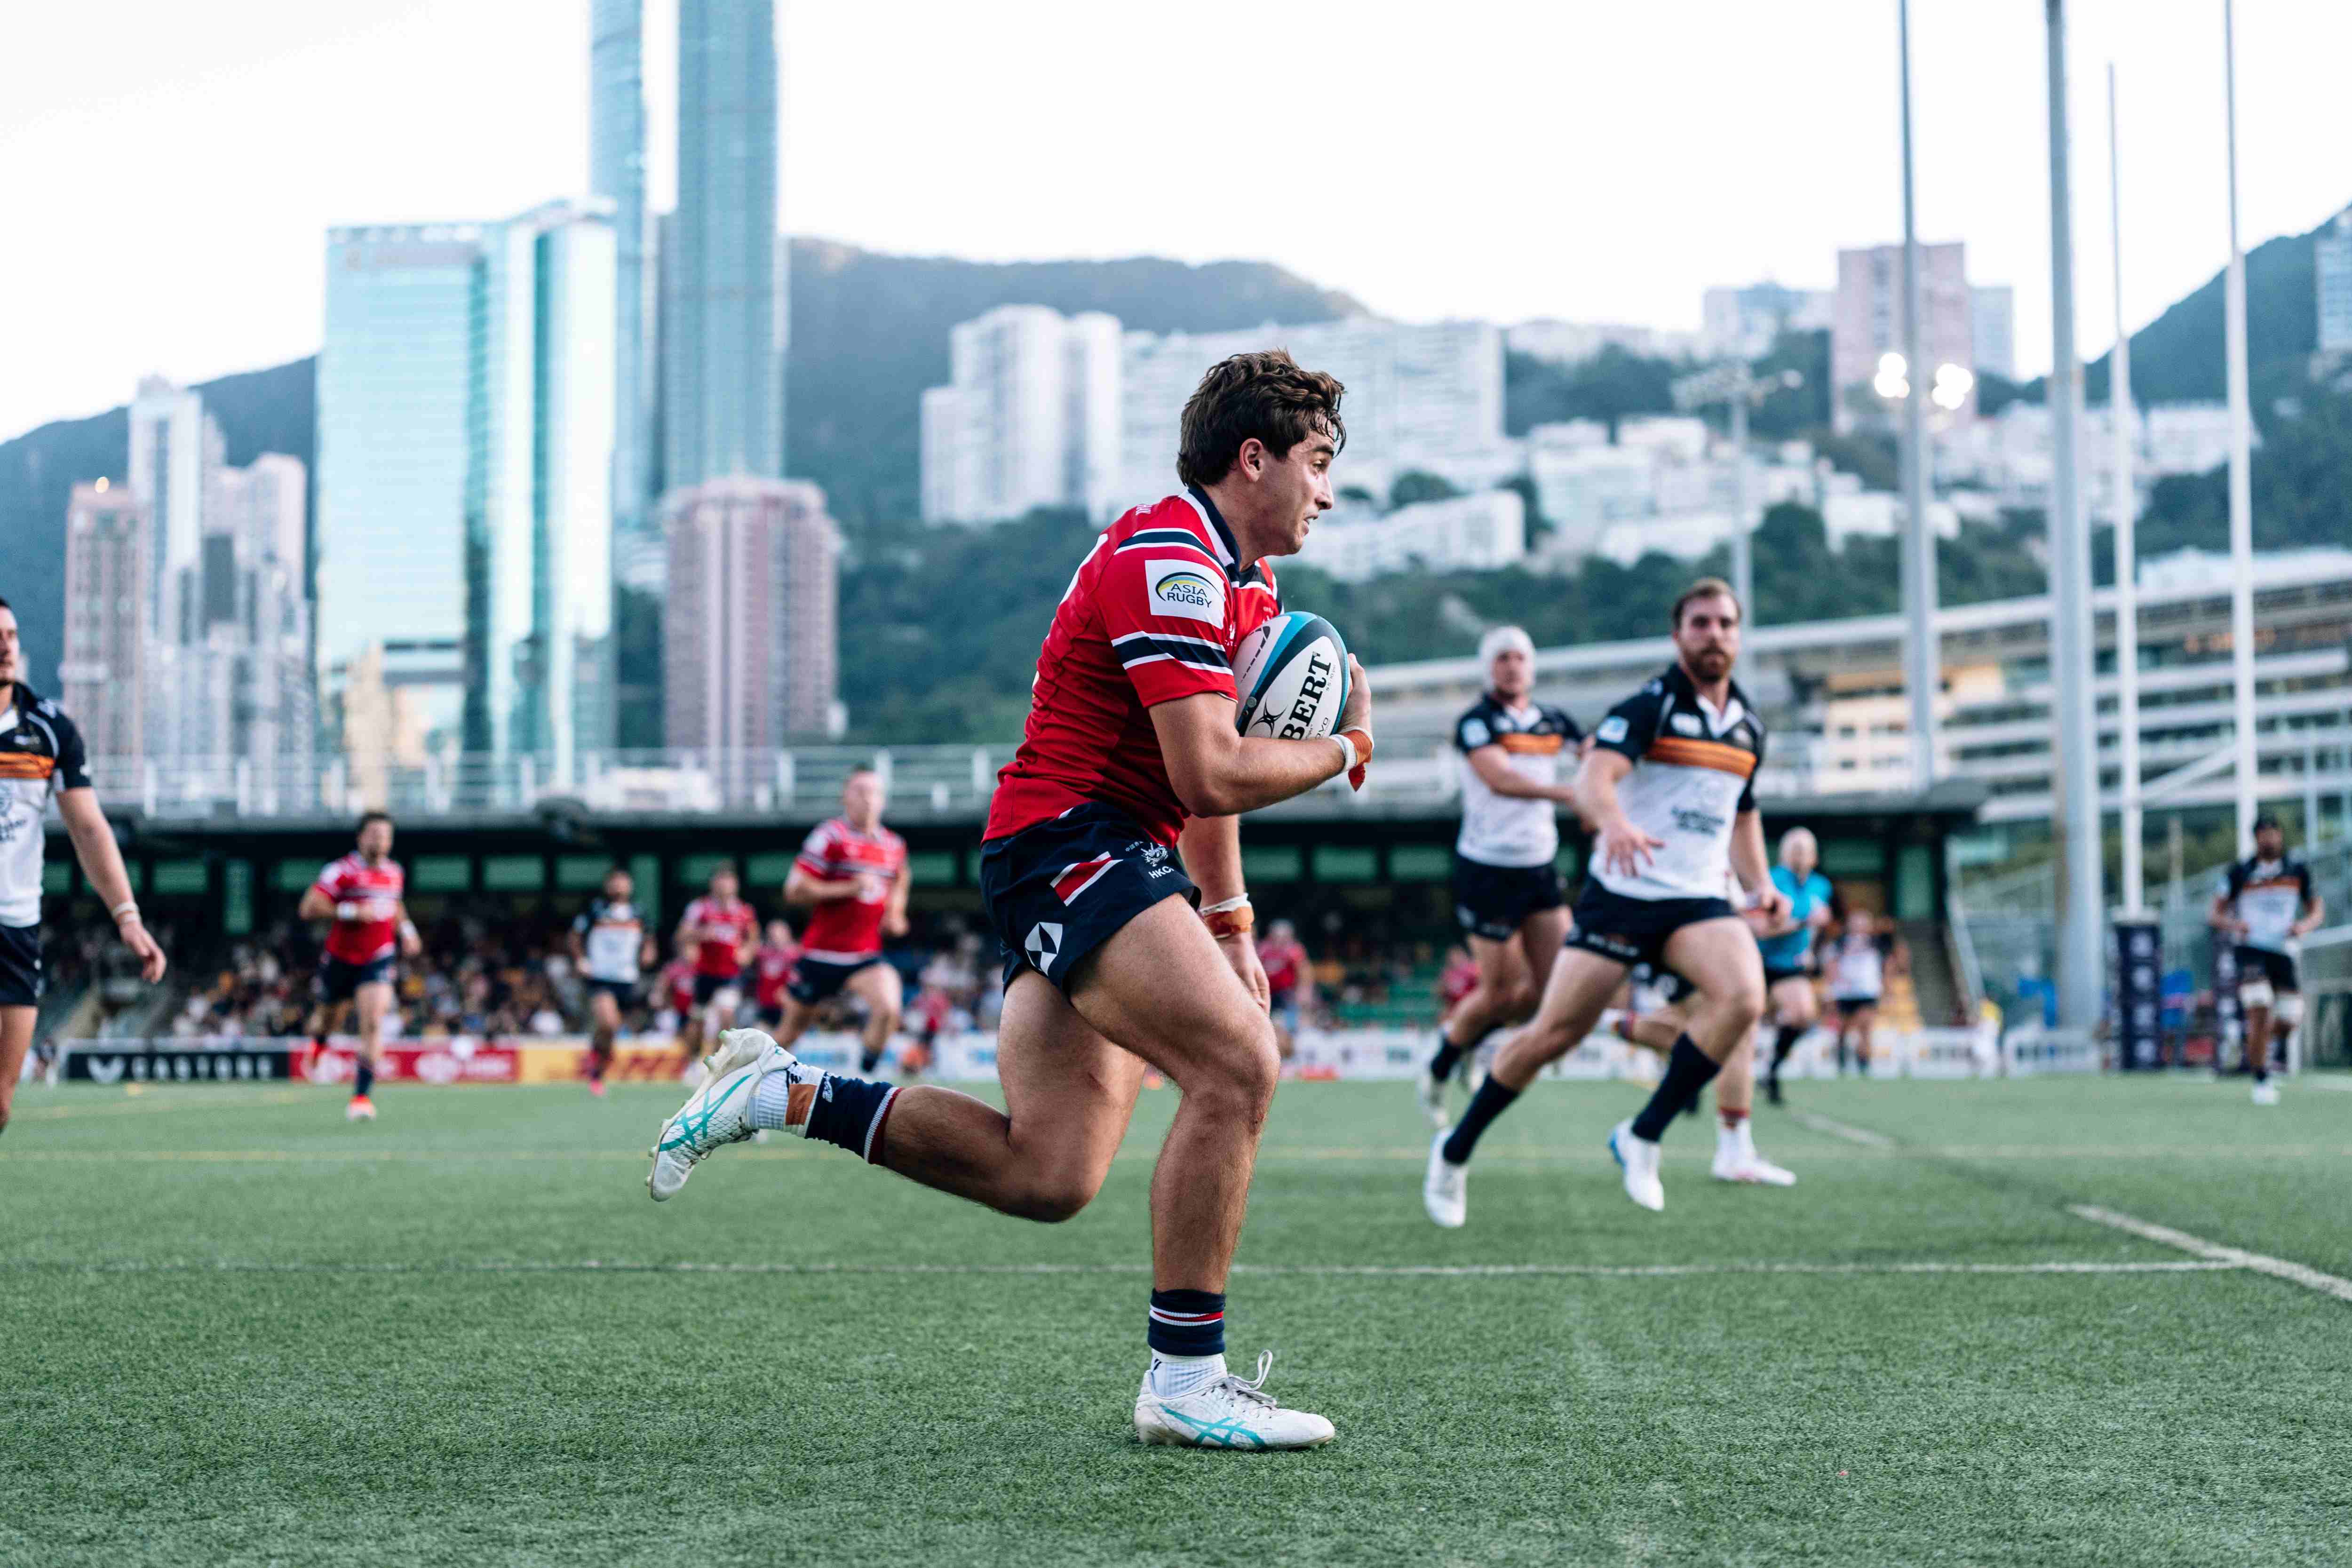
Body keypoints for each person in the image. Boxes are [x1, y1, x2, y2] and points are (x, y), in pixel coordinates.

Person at [648, 350, 1371, 1449]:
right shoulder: (1172, 560)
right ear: (1254, 456)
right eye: (1317, 465)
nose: (1326, 492)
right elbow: (1210, 774)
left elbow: (1206, 786)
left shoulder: (1244, 583)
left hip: (1120, 854)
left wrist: (1229, 925)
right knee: (1239, 1065)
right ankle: (1186, 1380)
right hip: (1071, 845)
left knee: (1049, 1172)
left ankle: (785, 1094)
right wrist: (1344, 747)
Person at [1423, 578, 1786, 1225]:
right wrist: (1614, 821)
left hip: (1697, 899)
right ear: (1678, 636)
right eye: (1700, 623)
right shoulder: (1650, 705)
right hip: (1623, 896)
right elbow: (1594, 776)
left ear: (1739, 633)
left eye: (1726, 623)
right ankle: (1455, 1149)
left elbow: (1743, 817)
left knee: (1745, 997)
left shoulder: (1749, 728)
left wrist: (1762, 886)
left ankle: (1642, 1134)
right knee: (1550, 1035)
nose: (1715, 634)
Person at [0, 597, 167, 1132]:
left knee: (2, 1100)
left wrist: (128, 916)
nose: (5, 646)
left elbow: (89, 829)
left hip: (16, 929)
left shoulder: (50, 730)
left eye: (12, 635)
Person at [1419, 626, 1582, 1129]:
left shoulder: (1554, 720)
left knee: (1552, 988)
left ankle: (1479, 1042)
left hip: (1538, 867)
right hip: (1487, 870)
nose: (1511, 666)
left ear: (1530, 667)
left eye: (1519, 658)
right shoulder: (1476, 722)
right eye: (1501, 658)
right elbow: (1500, 779)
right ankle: (1441, 1064)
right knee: (1499, 993)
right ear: (1489, 668)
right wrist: (1572, 795)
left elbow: (1601, 756)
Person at [768, 771, 909, 1077]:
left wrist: (896, 912)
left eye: (874, 792)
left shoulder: (893, 845)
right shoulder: (830, 836)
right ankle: (748, 1087)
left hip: (864, 955)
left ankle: (864, 1080)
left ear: (883, 799)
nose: (868, 798)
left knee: (889, 1008)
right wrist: (849, 887)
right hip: (820, 954)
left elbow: (900, 878)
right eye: (859, 791)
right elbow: (794, 890)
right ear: (845, 796)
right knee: (790, 1033)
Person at [299, 812, 422, 1121]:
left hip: (378, 957)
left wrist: (407, 930)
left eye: (386, 836)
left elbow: (394, 905)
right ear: (361, 838)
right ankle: (320, 1043)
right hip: (340, 958)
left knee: (373, 1024)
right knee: (327, 1019)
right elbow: (308, 907)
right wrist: (351, 910)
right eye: (375, 834)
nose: (381, 841)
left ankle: (361, 1096)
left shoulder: (395, 872)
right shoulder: (341, 871)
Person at [2209, 813, 2325, 1106]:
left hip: (2283, 952)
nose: (2270, 838)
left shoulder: (2297, 870)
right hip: (2251, 949)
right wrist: (2235, 925)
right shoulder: (2240, 872)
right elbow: (2215, 913)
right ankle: (2261, 1078)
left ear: (2281, 836)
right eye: (2264, 833)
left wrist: (2304, 926)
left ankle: (2247, 1042)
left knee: (2288, 1020)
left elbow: (2316, 909)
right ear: (2256, 837)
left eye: (2275, 833)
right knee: (2260, 1006)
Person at [1754, 827, 1834, 1105]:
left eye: (1805, 849)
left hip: (1789, 964)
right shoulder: (1771, 881)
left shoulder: (1822, 885)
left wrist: (1810, 950)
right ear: (1785, 853)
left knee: (1803, 1015)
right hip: (1755, 960)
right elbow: (1762, 928)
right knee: (1735, 1023)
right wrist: (1803, 923)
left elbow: (1816, 925)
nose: (1800, 853)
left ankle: (1771, 1069)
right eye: (1795, 848)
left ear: (1814, 856)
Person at [570, 866, 654, 1097]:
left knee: (610, 1032)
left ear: (631, 886)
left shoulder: (639, 912)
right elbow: (575, 936)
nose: (619, 886)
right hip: (600, 976)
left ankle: (597, 1067)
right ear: (608, 886)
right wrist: (580, 959)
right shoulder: (596, 910)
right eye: (615, 881)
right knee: (610, 1024)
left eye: (623, 881)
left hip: (627, 978)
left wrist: (648, 953)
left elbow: (649, 939)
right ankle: (597, 1066)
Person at [672, 865, 757, 1079]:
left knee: (727, 1015)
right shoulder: (700, 908)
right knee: (698, 1021)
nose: (725, 886)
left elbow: (753, 938)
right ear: (713, 884)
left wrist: (746, 952)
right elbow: (682, 935)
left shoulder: (744, 911)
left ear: (735, 885)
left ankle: (719, 1065)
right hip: (704, 973)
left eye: (729, 881)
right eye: (721, 881)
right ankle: (692, 1061)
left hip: (729, 974)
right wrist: (700, 935)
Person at [1826, 909, 1904, 1076]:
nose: (1859, 925)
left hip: (1868, 991)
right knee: (1844, 1029)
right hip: (1845, 993)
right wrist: (1831, 990)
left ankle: (1864, 1064)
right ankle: (1842, 1055)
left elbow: (1889, 963)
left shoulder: (1877, 943)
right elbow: (1831, 966)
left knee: (1865, 1027)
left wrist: (1887, 988)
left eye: (1863, 921)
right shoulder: (1839, 943)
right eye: (1855, 921)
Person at [1256, 918, 1313, 1057]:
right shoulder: (1264, 949)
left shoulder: (1294, 950)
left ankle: (1288, 1057)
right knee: (1273, 1028)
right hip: (1268, 994)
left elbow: (1304, 972)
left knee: (1286, 1028)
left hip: (1286, 994)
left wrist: (1304, 992)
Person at [751, 920, 799, 1030]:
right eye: (772, 936)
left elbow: (801, 978)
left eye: (778, 936)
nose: (775, 939)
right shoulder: (763, 953)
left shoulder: (794, 955)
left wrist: (790, 991)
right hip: (765, 1004)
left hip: (785, 1006)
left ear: (787, 936)